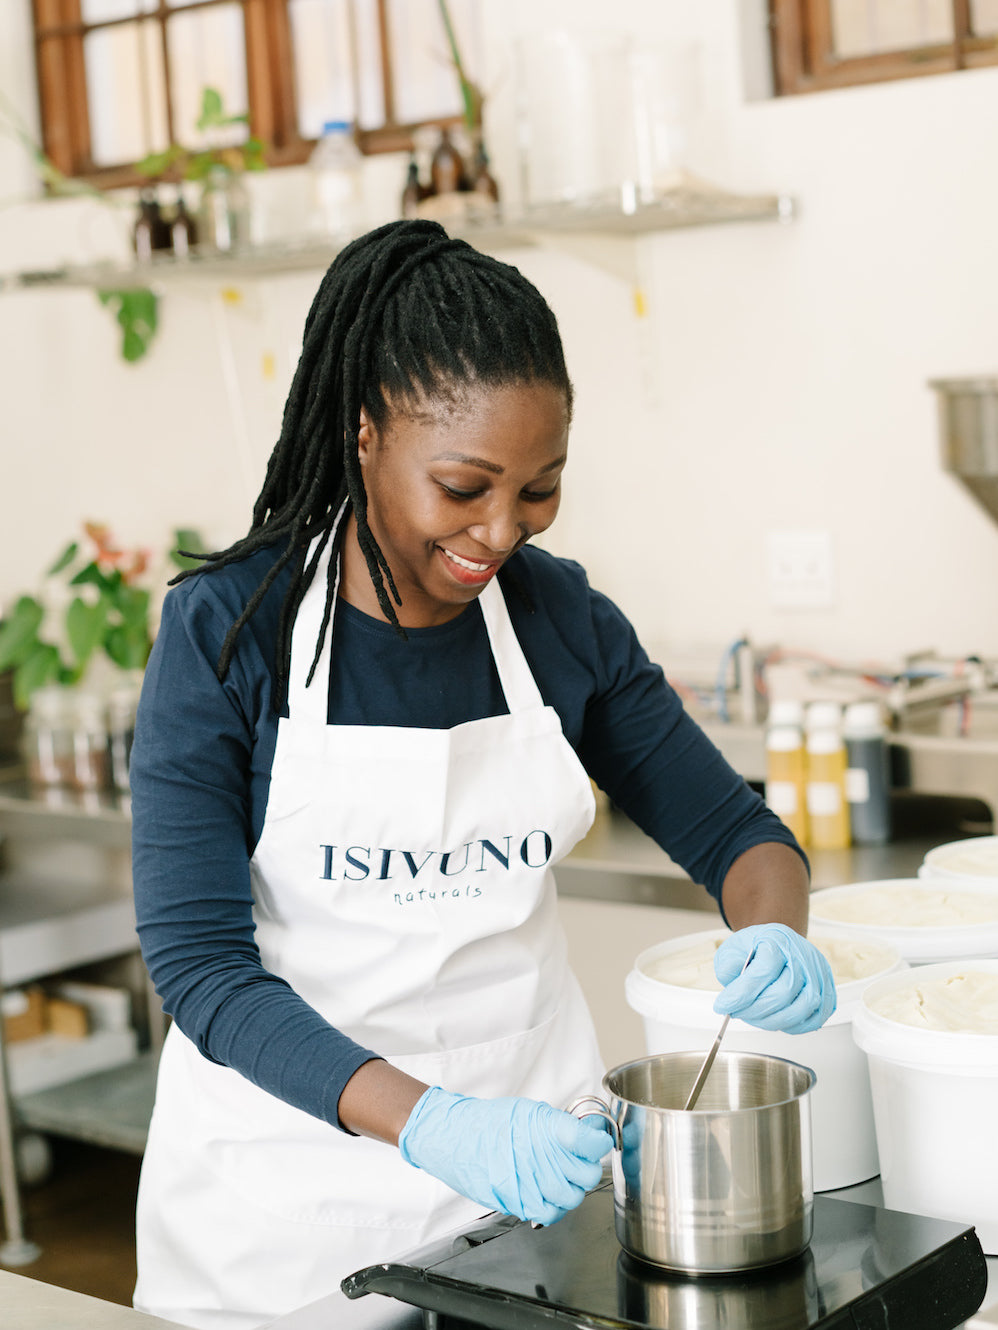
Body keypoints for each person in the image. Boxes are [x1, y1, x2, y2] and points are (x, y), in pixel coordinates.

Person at [129, 219, 835, 1330]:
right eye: (463, 486)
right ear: (363, 433)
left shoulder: (559, 621)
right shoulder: (229, 633)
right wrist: (434, 1122)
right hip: (282, 1221)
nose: (499, 531)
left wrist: (777, 925)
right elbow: (203, 972)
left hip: (525, 1212)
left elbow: (738, 835)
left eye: (539, 490)